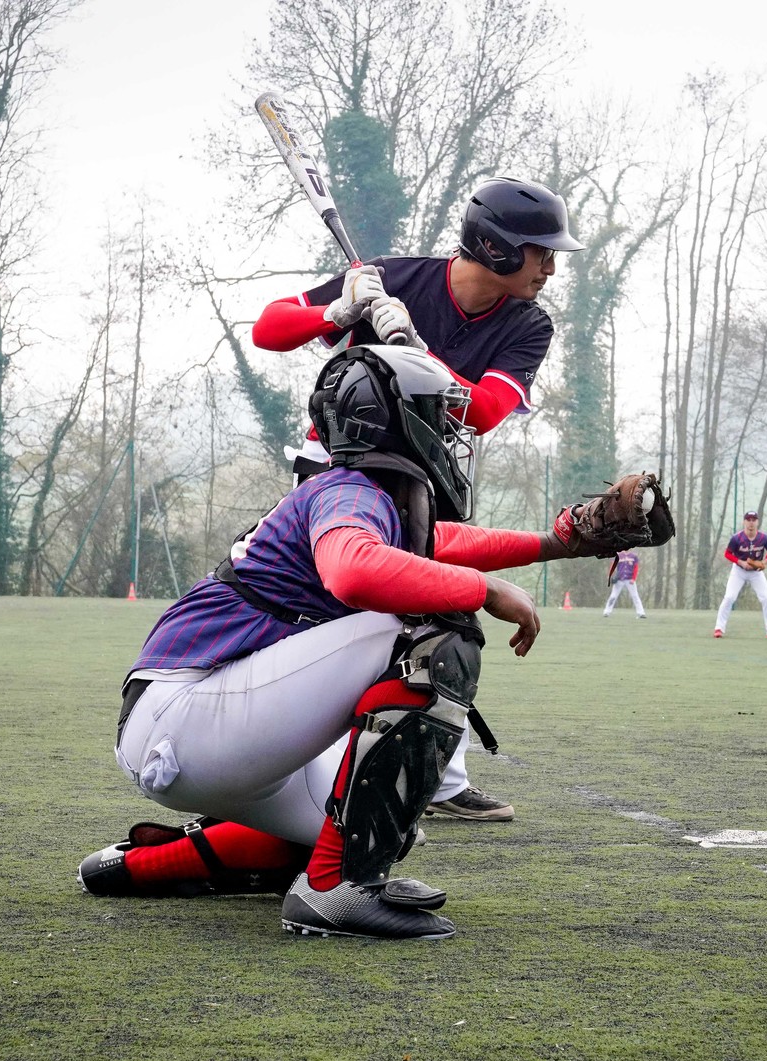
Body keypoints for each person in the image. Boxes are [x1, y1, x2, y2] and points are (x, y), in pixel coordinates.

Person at [78, 345, 608, 940]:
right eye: (439, 413)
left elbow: (453, 542)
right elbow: (353, 571)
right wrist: (481, 590)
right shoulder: (349, 490)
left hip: (190, 731)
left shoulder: (358, 495)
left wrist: (560, 541)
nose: (451, 429)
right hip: (185, 717)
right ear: (393, 419)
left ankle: (149, 863)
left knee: (372, 823)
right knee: (432, 627)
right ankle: (332, 891)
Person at [250, 176, 585, 824]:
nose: (550, 266)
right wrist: (339, 314)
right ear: (497, 247)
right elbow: (269, 330)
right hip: (336, 474)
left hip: (419, 481)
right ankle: (294, 777)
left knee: (440, 621)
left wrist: (415, 351)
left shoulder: (528, 325)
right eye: (541, 250)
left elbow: (483, 409)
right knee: (341, 621)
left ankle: (438, 780)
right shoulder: (392, 277)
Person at [714, 511, 767, 640]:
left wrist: (764, 562)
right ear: (744, 522)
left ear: (757, 522)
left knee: (766, 598)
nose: (751, 522)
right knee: (729, 597)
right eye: (748, 519)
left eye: (753, 520)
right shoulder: (737, 538)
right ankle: (719, 628)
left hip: (756, 573)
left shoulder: (763, 538)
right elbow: (727, 554)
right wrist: (741, 562)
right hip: (739, 571)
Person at [602, 549, 647, 619]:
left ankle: (641, 613)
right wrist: (610, 575)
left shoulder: (634, 556)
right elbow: (613, 565)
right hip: (619, 579)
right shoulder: (619, 555)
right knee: (613, 596)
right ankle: (607, 611)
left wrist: (633, 579)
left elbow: (636, 568)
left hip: (629, 579)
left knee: (635, 596)